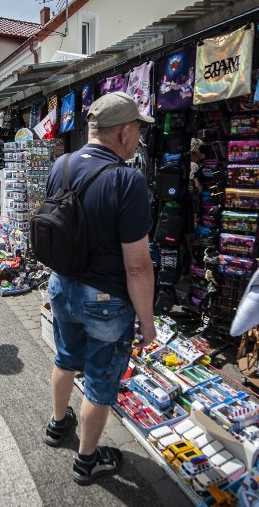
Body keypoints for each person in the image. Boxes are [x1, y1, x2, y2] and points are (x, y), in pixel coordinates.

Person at [43, 92, 156, 485]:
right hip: (105, 301)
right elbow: (138, 267)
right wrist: (148, 322)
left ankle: (58, 425)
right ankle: (87, 461)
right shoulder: (128, 180)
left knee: (65, 357)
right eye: (139, 130)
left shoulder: (62, 165)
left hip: (62, 286)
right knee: (99, 382)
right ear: (123, 132)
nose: (139, 138)